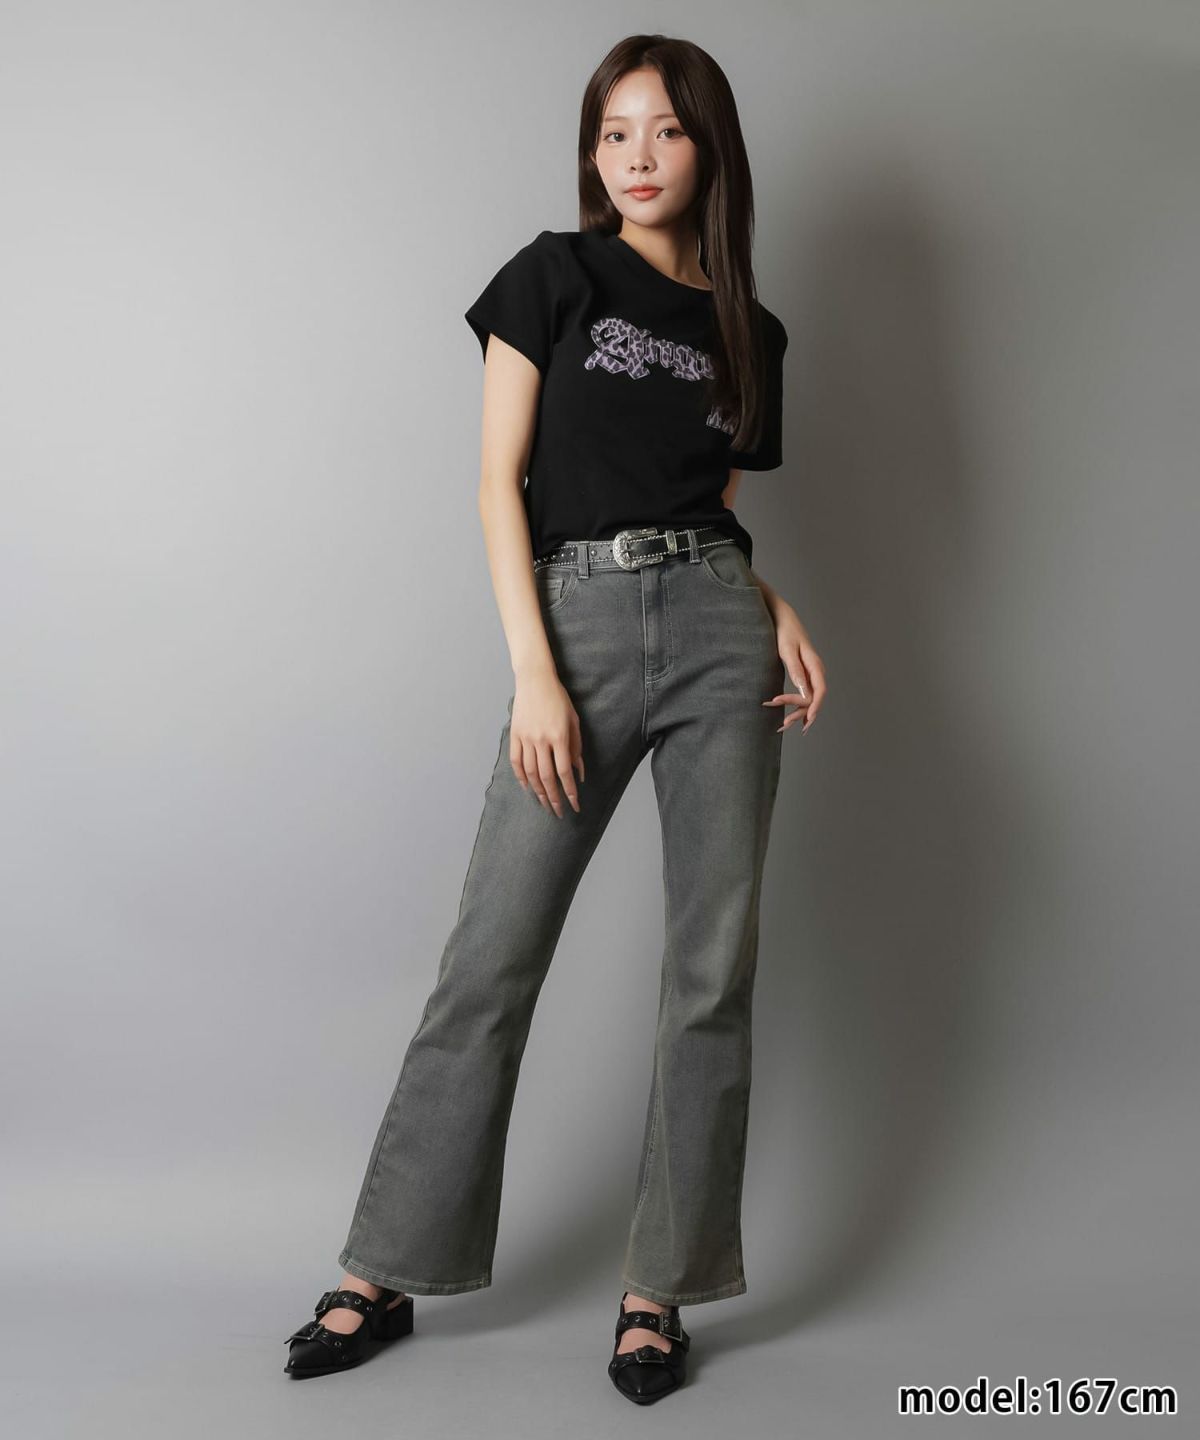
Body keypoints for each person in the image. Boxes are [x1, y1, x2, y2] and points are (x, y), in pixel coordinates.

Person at [283, 32, 828, 1404]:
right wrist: (536, 672)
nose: (637, 157)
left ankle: (660, 1292)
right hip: (573, 625)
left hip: (719, 631)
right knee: (491, 960)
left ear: (710, 149)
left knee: (710, 972)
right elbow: (497, 483)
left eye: (666, 131)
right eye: (613, 132)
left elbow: (709, 506)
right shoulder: (553, 277)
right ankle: (383, 1268)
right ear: (593, 153)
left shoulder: (751, 332)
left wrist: (771, 604)